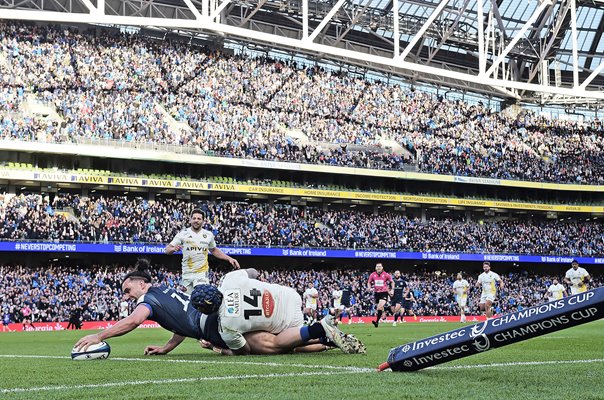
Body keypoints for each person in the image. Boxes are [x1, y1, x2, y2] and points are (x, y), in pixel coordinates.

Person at [190, 269, 366, 355]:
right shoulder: (230, 279)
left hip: (289, 323)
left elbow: (244, 351)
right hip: (289, 295)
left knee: (272, 345)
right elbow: (254, 272)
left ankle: (317, 330)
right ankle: (326, 339)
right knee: (289, 343)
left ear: (206, 309)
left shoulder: (226, 326)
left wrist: (216, 348)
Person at [165, 208, 240, 294]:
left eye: (199, 219)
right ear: (190, 220)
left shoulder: (208, 235)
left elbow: (214, 250)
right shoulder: (183, 234)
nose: (196, 220)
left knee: (201, 300)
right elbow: (167, 250)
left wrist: (229, 258)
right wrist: (173, 249)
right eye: (194, 218)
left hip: (202, 275)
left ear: (203, 221)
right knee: (188, 303)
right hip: (187, 276)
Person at [367, 263, 393, 328]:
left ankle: (377, 321)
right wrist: (369, 287)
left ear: (382, 267)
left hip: (384, 292)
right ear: (375, 268)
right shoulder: (372, 275)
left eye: (380, 266)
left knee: (380, 306)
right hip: (376, 293)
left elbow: (392, 282)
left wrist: (392, 289)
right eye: (377, 266)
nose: (378, 267)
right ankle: (387, 308)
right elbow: (369, 282)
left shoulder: (386, 274)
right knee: (379, 308)